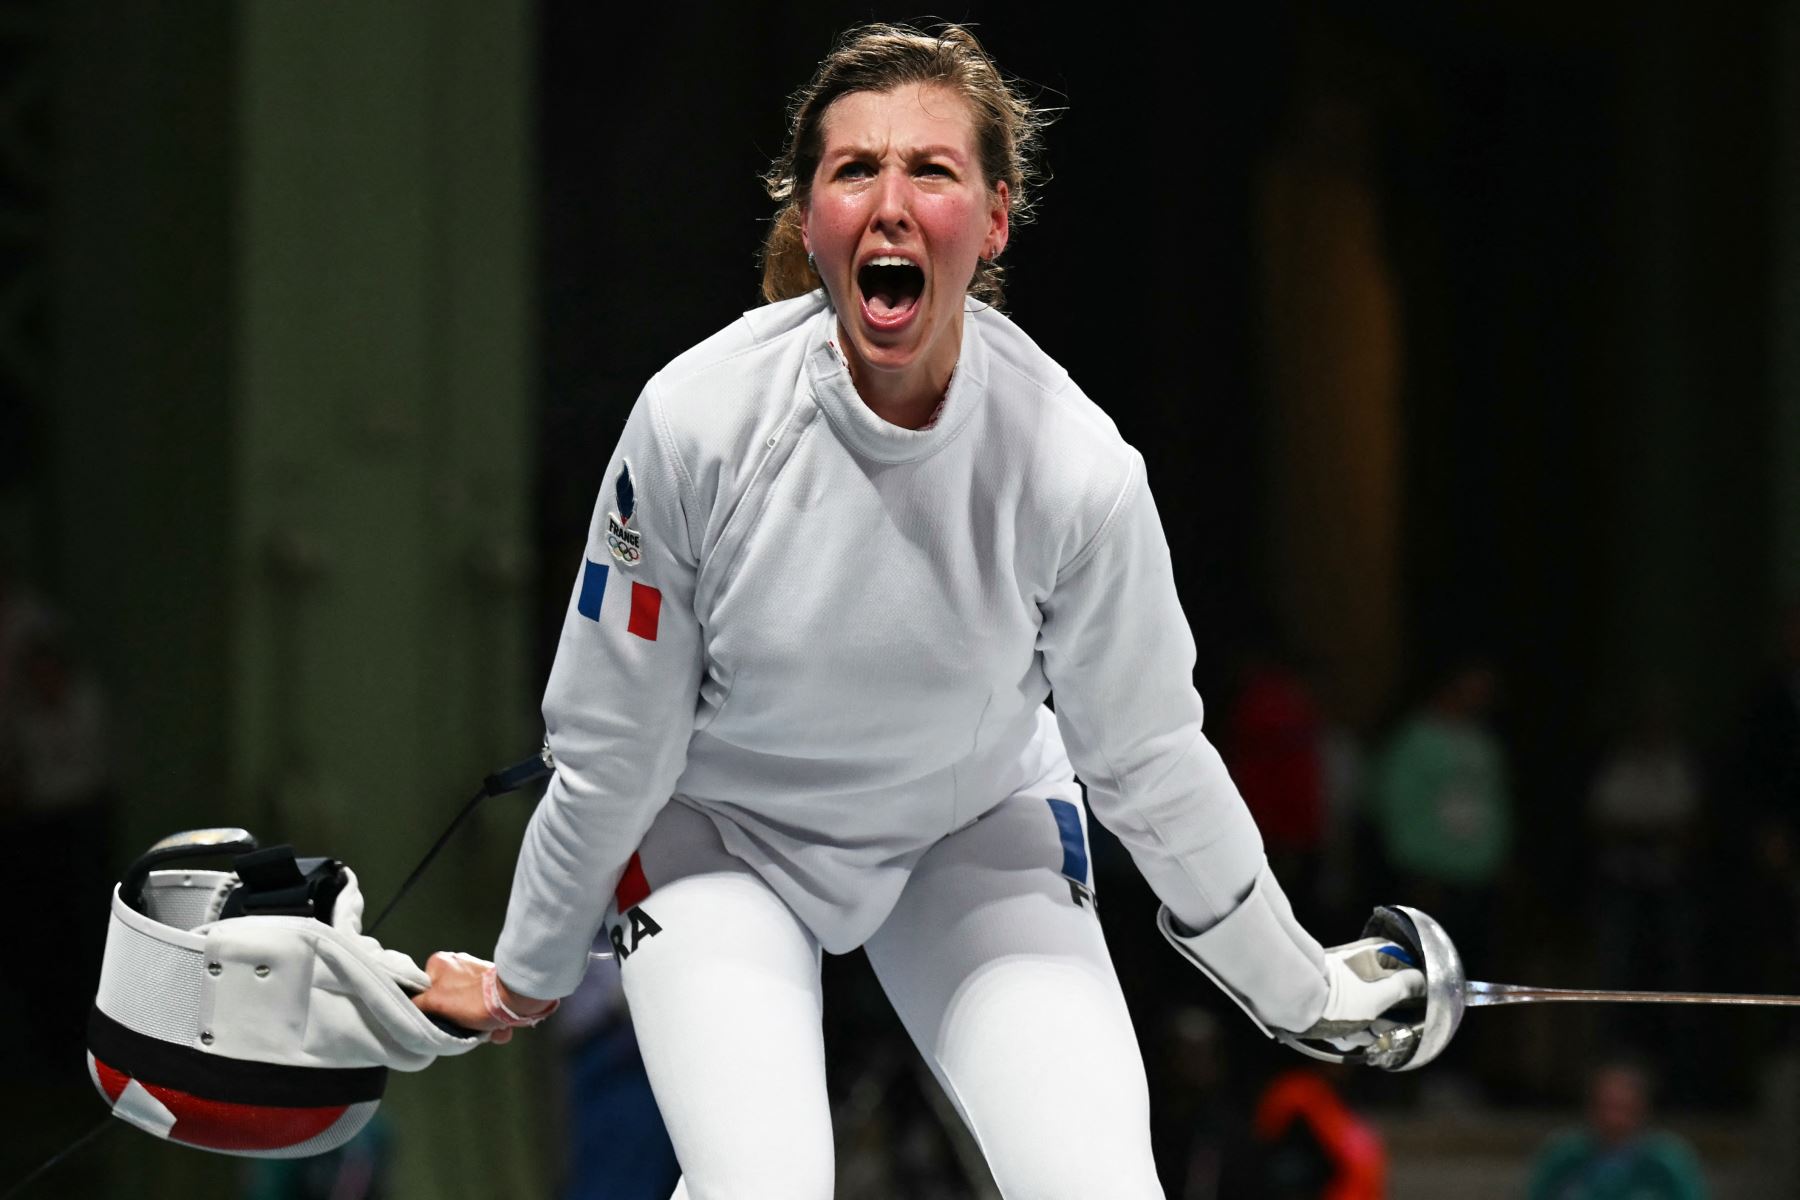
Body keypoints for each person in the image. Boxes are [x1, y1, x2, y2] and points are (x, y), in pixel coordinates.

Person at [413, 23, 1420, 1198]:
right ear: (812, 219)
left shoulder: (1074, 466)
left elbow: (1148, 761)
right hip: (721, 834)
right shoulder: (696, 423)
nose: (890, 203)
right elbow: (612, 741)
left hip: (970, 830)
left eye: (931, 170)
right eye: (855, 170)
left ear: (992, 220)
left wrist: (1302, 989)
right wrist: (526, 970)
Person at [1526, 1061, 1707, 1200]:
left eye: (1623, 1108)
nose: (1613, 1119)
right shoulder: (1563, 1157)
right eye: (1605, 1107)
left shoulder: (1667, 1162)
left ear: (1642, 1109)